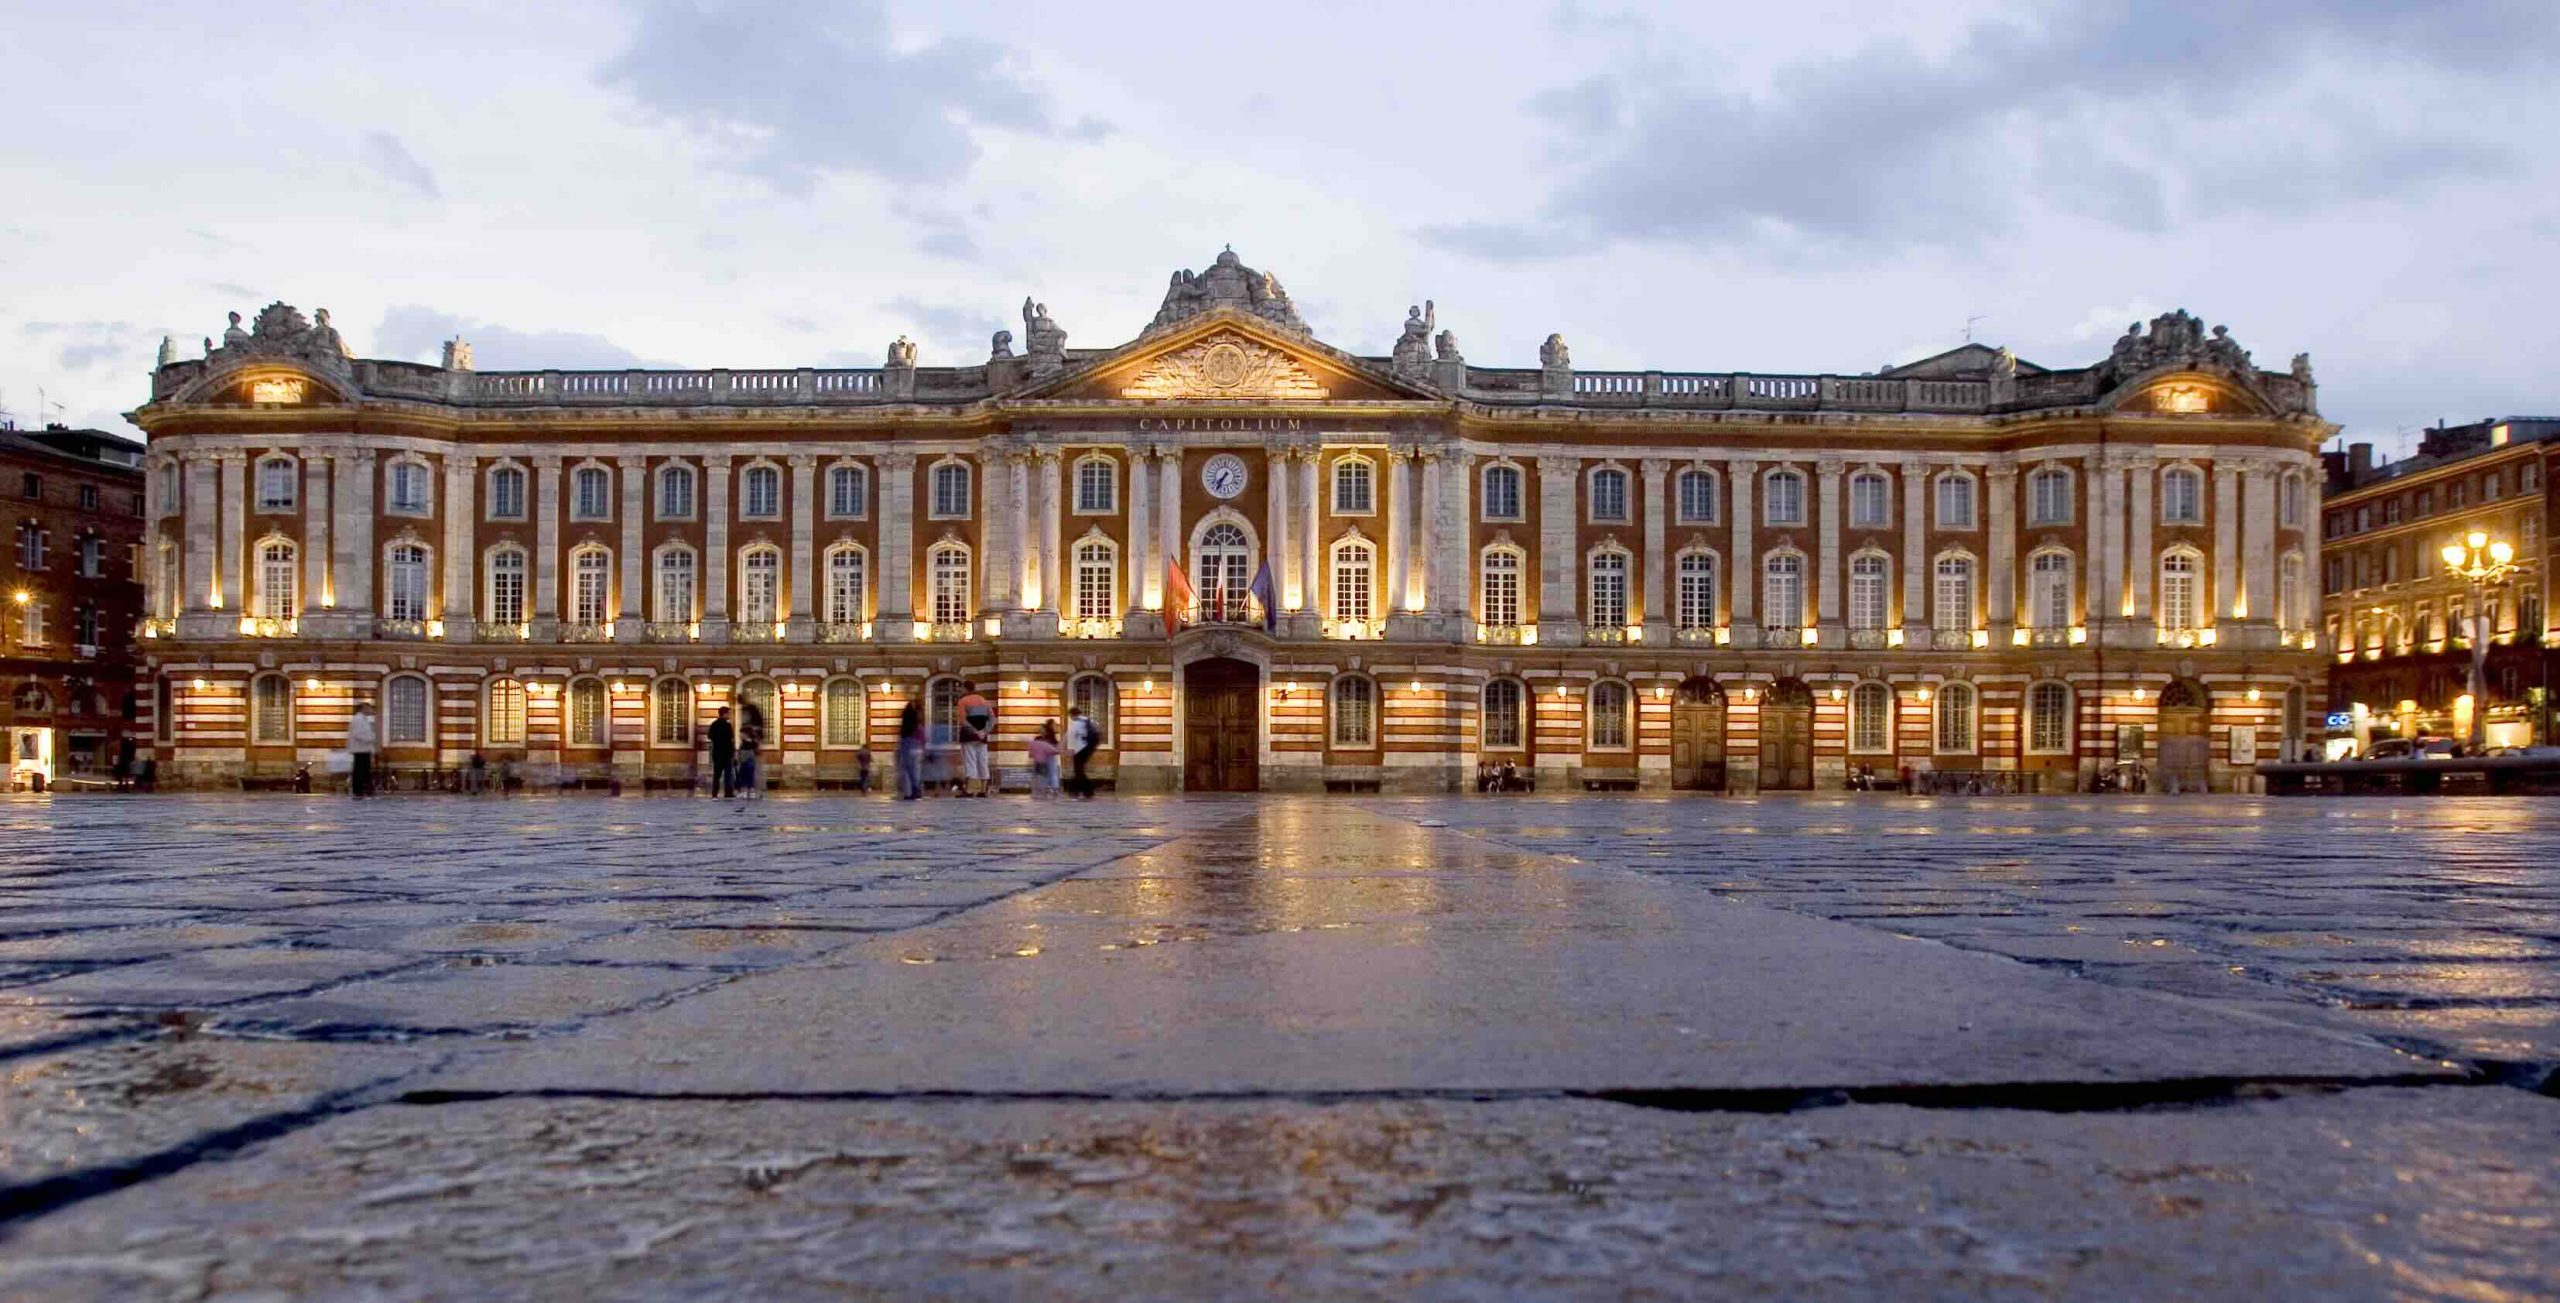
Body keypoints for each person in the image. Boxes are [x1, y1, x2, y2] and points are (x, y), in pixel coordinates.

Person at [956, 681, 994, 797]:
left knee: (970, 762)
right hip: (982, 737)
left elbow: (963, 721)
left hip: (969, 736)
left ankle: (970, 789)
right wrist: (984, 732)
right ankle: (984, 789)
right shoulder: (985, 702)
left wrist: (975, 732)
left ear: (965, 689)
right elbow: (992, 719)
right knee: (983, 761)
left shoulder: (963, 701)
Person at [1065, 706, 1101, 799]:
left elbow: (1070, 736)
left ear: (1072, 714)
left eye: (1070, 715)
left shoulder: (1076, 723)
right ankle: (1079, 790)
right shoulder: (1086, 720)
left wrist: (1070, 749)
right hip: (1088, 747)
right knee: (1079, 770)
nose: (1070, 717)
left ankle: (1084, 791)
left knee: (1078, 770)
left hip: (1080, 748)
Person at [345, 702, 378, 798]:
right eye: (368, 708)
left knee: (363, 770)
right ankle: (359, 789)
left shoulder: (362, 719)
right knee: (360, 770)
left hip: (363, 748)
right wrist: (370, 738)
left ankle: (364, 789)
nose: (370, 709)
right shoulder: (359, 719)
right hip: (360, 748)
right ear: (363, 708)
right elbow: (358, 734)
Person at [895, 697, 925, 799]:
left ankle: (912, 791)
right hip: (916, 747)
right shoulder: (918, 725)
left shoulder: (907, 720)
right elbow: (923, 739)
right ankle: (915, 790)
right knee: (914, 770)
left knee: (907, 769)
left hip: (908, 744)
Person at [735, 703, 765, 801]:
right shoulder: (753, 740)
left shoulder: (748, 741)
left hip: (747, 757)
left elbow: (744, 749)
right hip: (750, 757)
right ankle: (751, 791)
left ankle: (746, 791)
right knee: (750, 774)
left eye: (741, 734)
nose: (740, 735)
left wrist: (739, 754)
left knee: (745, 774)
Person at [707, 706, 736, 798]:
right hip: (726, 753)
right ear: (724, 714)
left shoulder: (714, 724)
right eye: (729, 713)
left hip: (717, 753)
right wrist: (732, 752)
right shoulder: (728, 726)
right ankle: (728, 792)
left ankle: (714, 793)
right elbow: (731, 739)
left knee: (717, 775)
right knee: (728, 774)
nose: (730, 715)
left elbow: (710, 736)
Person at [1027, 721, 1061, 798]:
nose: (1040, 730)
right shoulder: (1038, 738)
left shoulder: (1050, 737)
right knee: (1044, 774)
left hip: (1050, 756)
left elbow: (1055, 746)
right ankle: (1045, 788)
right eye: (1040, 728)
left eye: (1042, 728)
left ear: (1045, 729)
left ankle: (1054, 788)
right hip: (1042, 759)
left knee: (1052, 771)